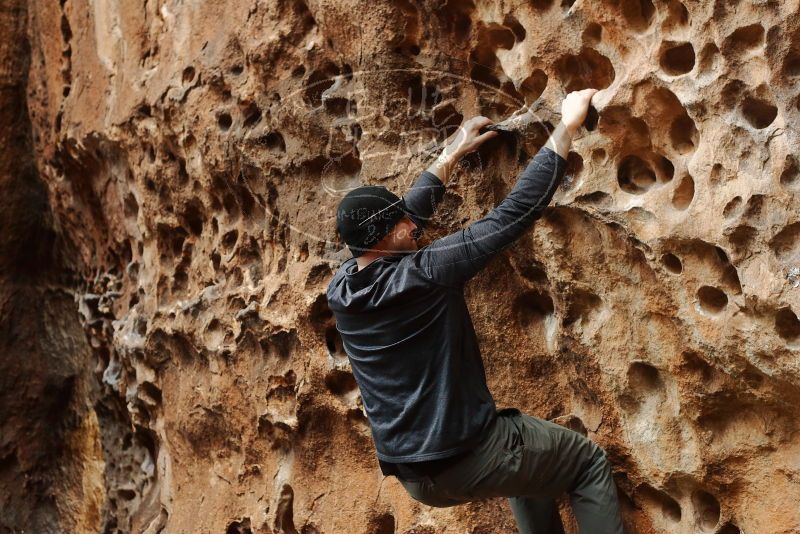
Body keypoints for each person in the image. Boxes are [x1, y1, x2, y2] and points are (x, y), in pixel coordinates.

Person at [326, 88, 624, 534]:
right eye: (400, 221)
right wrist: (568, 126)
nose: (412, 223)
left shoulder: (342, 288)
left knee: (534, 470)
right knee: (586, 462)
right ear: (384, 238)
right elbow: (512, 215)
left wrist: (451, 153)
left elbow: (405, 220)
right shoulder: (426, 272)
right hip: (469, 457)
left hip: (416, 476)